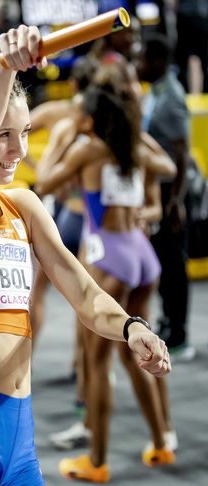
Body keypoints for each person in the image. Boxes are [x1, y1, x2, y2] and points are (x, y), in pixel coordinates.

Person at [0, 25, 171, 485]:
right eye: (3, 134)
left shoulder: (23, 206)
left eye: (23, 132)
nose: (18, 150)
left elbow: (84, 292)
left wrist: (130, 327)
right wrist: (4, 66)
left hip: (20, 441)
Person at [36, 81, 178, 481]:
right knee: (142, 349)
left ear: (90, 120)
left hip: (109, 256)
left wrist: (63, 142)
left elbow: (44, 183)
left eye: (79, 114)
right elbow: (166, 165)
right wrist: (136, 134)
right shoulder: (131, 147)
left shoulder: (87, 148)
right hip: (141, 255)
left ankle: (96, 462)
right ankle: (162, 443)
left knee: (96, 364)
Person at [137, 33, 195, 360]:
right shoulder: (155, 93)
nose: (139, 64)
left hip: (173, 193)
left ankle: (181, 333)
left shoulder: (171, 96)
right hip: (161, 190)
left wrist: (175, 202)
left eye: (143, 58)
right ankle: (170, 322)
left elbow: (182, 155)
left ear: (157, 61)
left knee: (175, 264)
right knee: (166, 263)